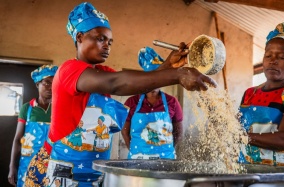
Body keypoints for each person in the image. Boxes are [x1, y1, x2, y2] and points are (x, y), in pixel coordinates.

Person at [24, 2, 217, 187]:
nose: (107, 45)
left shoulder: (102, 72)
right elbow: (117, 84)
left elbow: (138, 83)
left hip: (91, 172)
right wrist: (177, 75)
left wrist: (168, 65)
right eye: (100, 39)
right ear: (80, 37)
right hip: (61, 169)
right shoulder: (69, 70)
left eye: (109, 41)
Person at [239, 20, 284, 187]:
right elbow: (237, 127)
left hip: (280, 175)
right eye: (268, 55)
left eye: (281, 57)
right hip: (247, 170)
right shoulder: (250, 93)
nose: (273, 61)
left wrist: (240, 137)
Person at [122, 47, 183, 159]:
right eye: (151, 79)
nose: (154, 83)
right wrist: (135, 151)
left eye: (158, 79)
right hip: (137, 160)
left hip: (165, 160)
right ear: (145, 78)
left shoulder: (172, 102)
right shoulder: (131, 102)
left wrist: (166, 149)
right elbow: (125, 132)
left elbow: (178, 133)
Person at [8, 65, 58, 187]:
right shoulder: (27, 108)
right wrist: (12, 166)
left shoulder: (60, 109)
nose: (50, 87)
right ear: (37, 84)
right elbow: (18, 139)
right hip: (28, 164)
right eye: (46, 83)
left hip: (54, 163)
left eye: (54, 83)